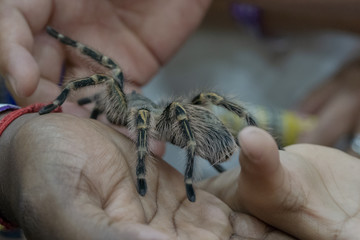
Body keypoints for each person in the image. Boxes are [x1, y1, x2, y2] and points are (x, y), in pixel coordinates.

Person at [1, 0, 360, 239]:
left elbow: (140, 112)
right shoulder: (130, 93)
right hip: (210, 70)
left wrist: (144, 168)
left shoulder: (147, 112)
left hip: (237, 119)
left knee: (162, 96)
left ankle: (195, 171)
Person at [1, 110, 360, 239]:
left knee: (179, 112)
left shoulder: (154, 115)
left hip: (220, 156)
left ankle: (197, 175)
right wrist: (12, 141)